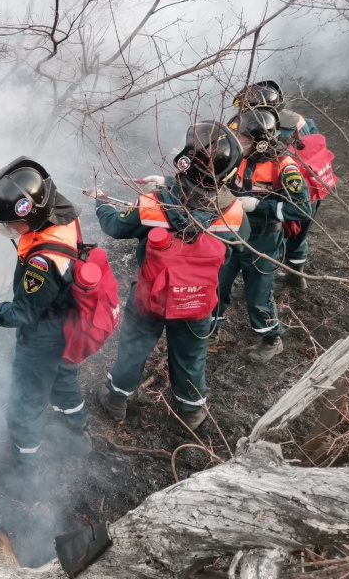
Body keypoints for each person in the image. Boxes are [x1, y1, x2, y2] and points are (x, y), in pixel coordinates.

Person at [91, 122, 249, 430]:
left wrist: (101, 203)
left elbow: (116, 227)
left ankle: (116, 400)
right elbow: (238, 246)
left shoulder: (152, 204)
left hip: (150, 294)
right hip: (198, 298)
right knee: (190, 355)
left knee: (134, 346)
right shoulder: (233, 212)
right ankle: (191, 412)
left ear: (186, 161)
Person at [0, 157, 90, 483]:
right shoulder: (63, 213)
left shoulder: (41, 264)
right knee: (65, 378)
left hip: (45, 335)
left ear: (32, 214)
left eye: (11, 224)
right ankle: (78, 430)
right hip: (72, 317)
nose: (9, 231)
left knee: (24, 403)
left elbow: (22, 313)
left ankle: (24, 468)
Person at [215, 105, 312, 362]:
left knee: (258, 293)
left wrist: (259, 205)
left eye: (243, 139)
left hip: (264, 239)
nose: (236, 143)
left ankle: (272, 338)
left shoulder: (285, 166)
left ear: (259, 143)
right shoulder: (237, 156)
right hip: (232, 232)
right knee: (218, 281)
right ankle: (212, 326)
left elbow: (303, 210)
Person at [233, 80, 320, 285]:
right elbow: (316, 138)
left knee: (288, 227)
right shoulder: (299, 119)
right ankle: (297, 274)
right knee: (301, 233)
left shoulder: (270, 132)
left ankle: (274, 272)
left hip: (291, 188)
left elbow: (261, 157)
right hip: (312, 183)